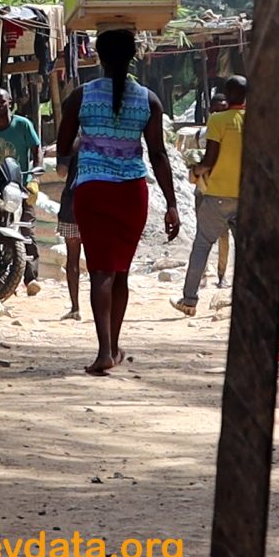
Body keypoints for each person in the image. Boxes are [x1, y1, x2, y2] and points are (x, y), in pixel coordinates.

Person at [56, 30, 181, 375]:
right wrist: (172, 204)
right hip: (131, 193)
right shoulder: (149, 100)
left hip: (93, 190)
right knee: (120, 272)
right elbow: (158, 154)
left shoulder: (80, 96)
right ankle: (112, 345)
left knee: (99, 270)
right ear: (133, 57)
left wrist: (89, 138)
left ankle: (104, 352)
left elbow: (63, 146)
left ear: (99, 56)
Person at [172, 76, 247, 316]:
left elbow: (210, 159)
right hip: (247, 197)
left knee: (202, 245)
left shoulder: (218, 120)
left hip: (218, 195)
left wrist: (195, 171)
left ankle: (189, 300)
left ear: (227, 94)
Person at [0, 89, 43, 296]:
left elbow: (36, 150)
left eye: (1, 101)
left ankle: (30, 278)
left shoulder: (22, 125)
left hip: (20, 184)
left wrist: (35, 178)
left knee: (26, 229)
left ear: (10, 102)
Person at [197, 93, 231, 288]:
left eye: (222, 110)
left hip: (220, 188)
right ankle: (203, 274)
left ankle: (221, 274)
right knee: (203, 234)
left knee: (223, 236)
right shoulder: (201, 135)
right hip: (205, 189)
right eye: (217, 110)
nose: (219, 113)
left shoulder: (226, 133)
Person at [56, 152, 82, 320]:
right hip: (99, 204)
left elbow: (61, 172)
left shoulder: (72, 143)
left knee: (73, 259)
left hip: (72, 205)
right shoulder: (102, 139)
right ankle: (102, 308)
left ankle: (75, 307)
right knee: (99, 262)